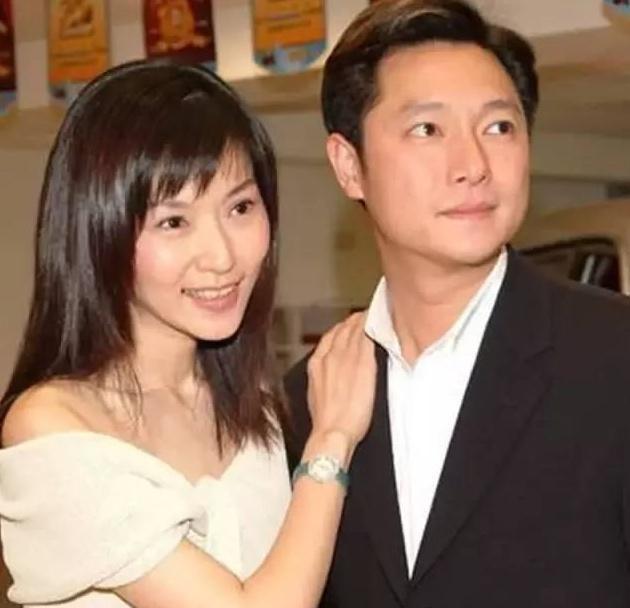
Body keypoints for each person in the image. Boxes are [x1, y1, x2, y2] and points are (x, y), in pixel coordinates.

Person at [284, 1, 630, 606]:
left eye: (499, 127)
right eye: (428, 129)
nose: (473, 165)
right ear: (349, 165)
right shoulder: (306, 400)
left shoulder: (612, 357)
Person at [0, 60, 376, 608]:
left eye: (240, 207)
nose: (222, 256)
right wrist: (332, 441)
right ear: (99, 230)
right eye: (173, 222)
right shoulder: (51, 425)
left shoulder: (255, 410)